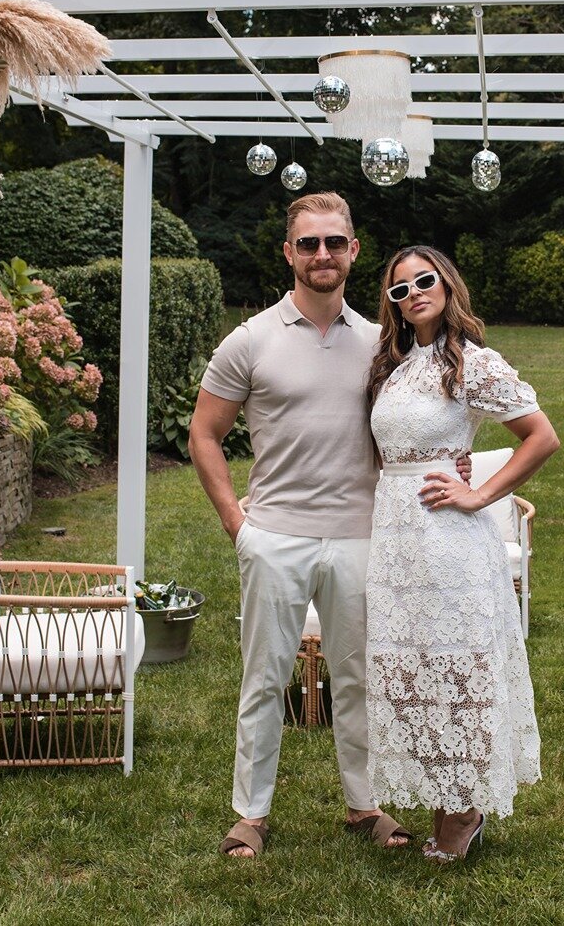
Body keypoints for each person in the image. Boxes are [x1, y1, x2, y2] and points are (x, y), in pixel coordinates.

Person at [190, 193, 469, 859]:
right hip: (275, 535)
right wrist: (237, 522)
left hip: (361, 535)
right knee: (265, 678)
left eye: (334, 242)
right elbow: (204, 432)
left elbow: (424, 415)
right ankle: (250, 814)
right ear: (288, 252)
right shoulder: (251, 339)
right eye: (309, 243)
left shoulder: (384, 345)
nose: (322, 254)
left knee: (358, 678)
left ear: (353, 251)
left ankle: (363, 803)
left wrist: (454, 459)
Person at [364, 245, 559, 863]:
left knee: (461, 672)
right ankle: (444, 793)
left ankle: (465, 809)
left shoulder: (473, 363)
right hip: (395, 540)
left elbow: (541, 437)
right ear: (392, 304)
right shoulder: (394, 365)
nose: (414, 293)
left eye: (425, 281)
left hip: (449, 541)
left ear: (447, 286)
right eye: (401, 289)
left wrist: (478, 494)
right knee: (414, 674)